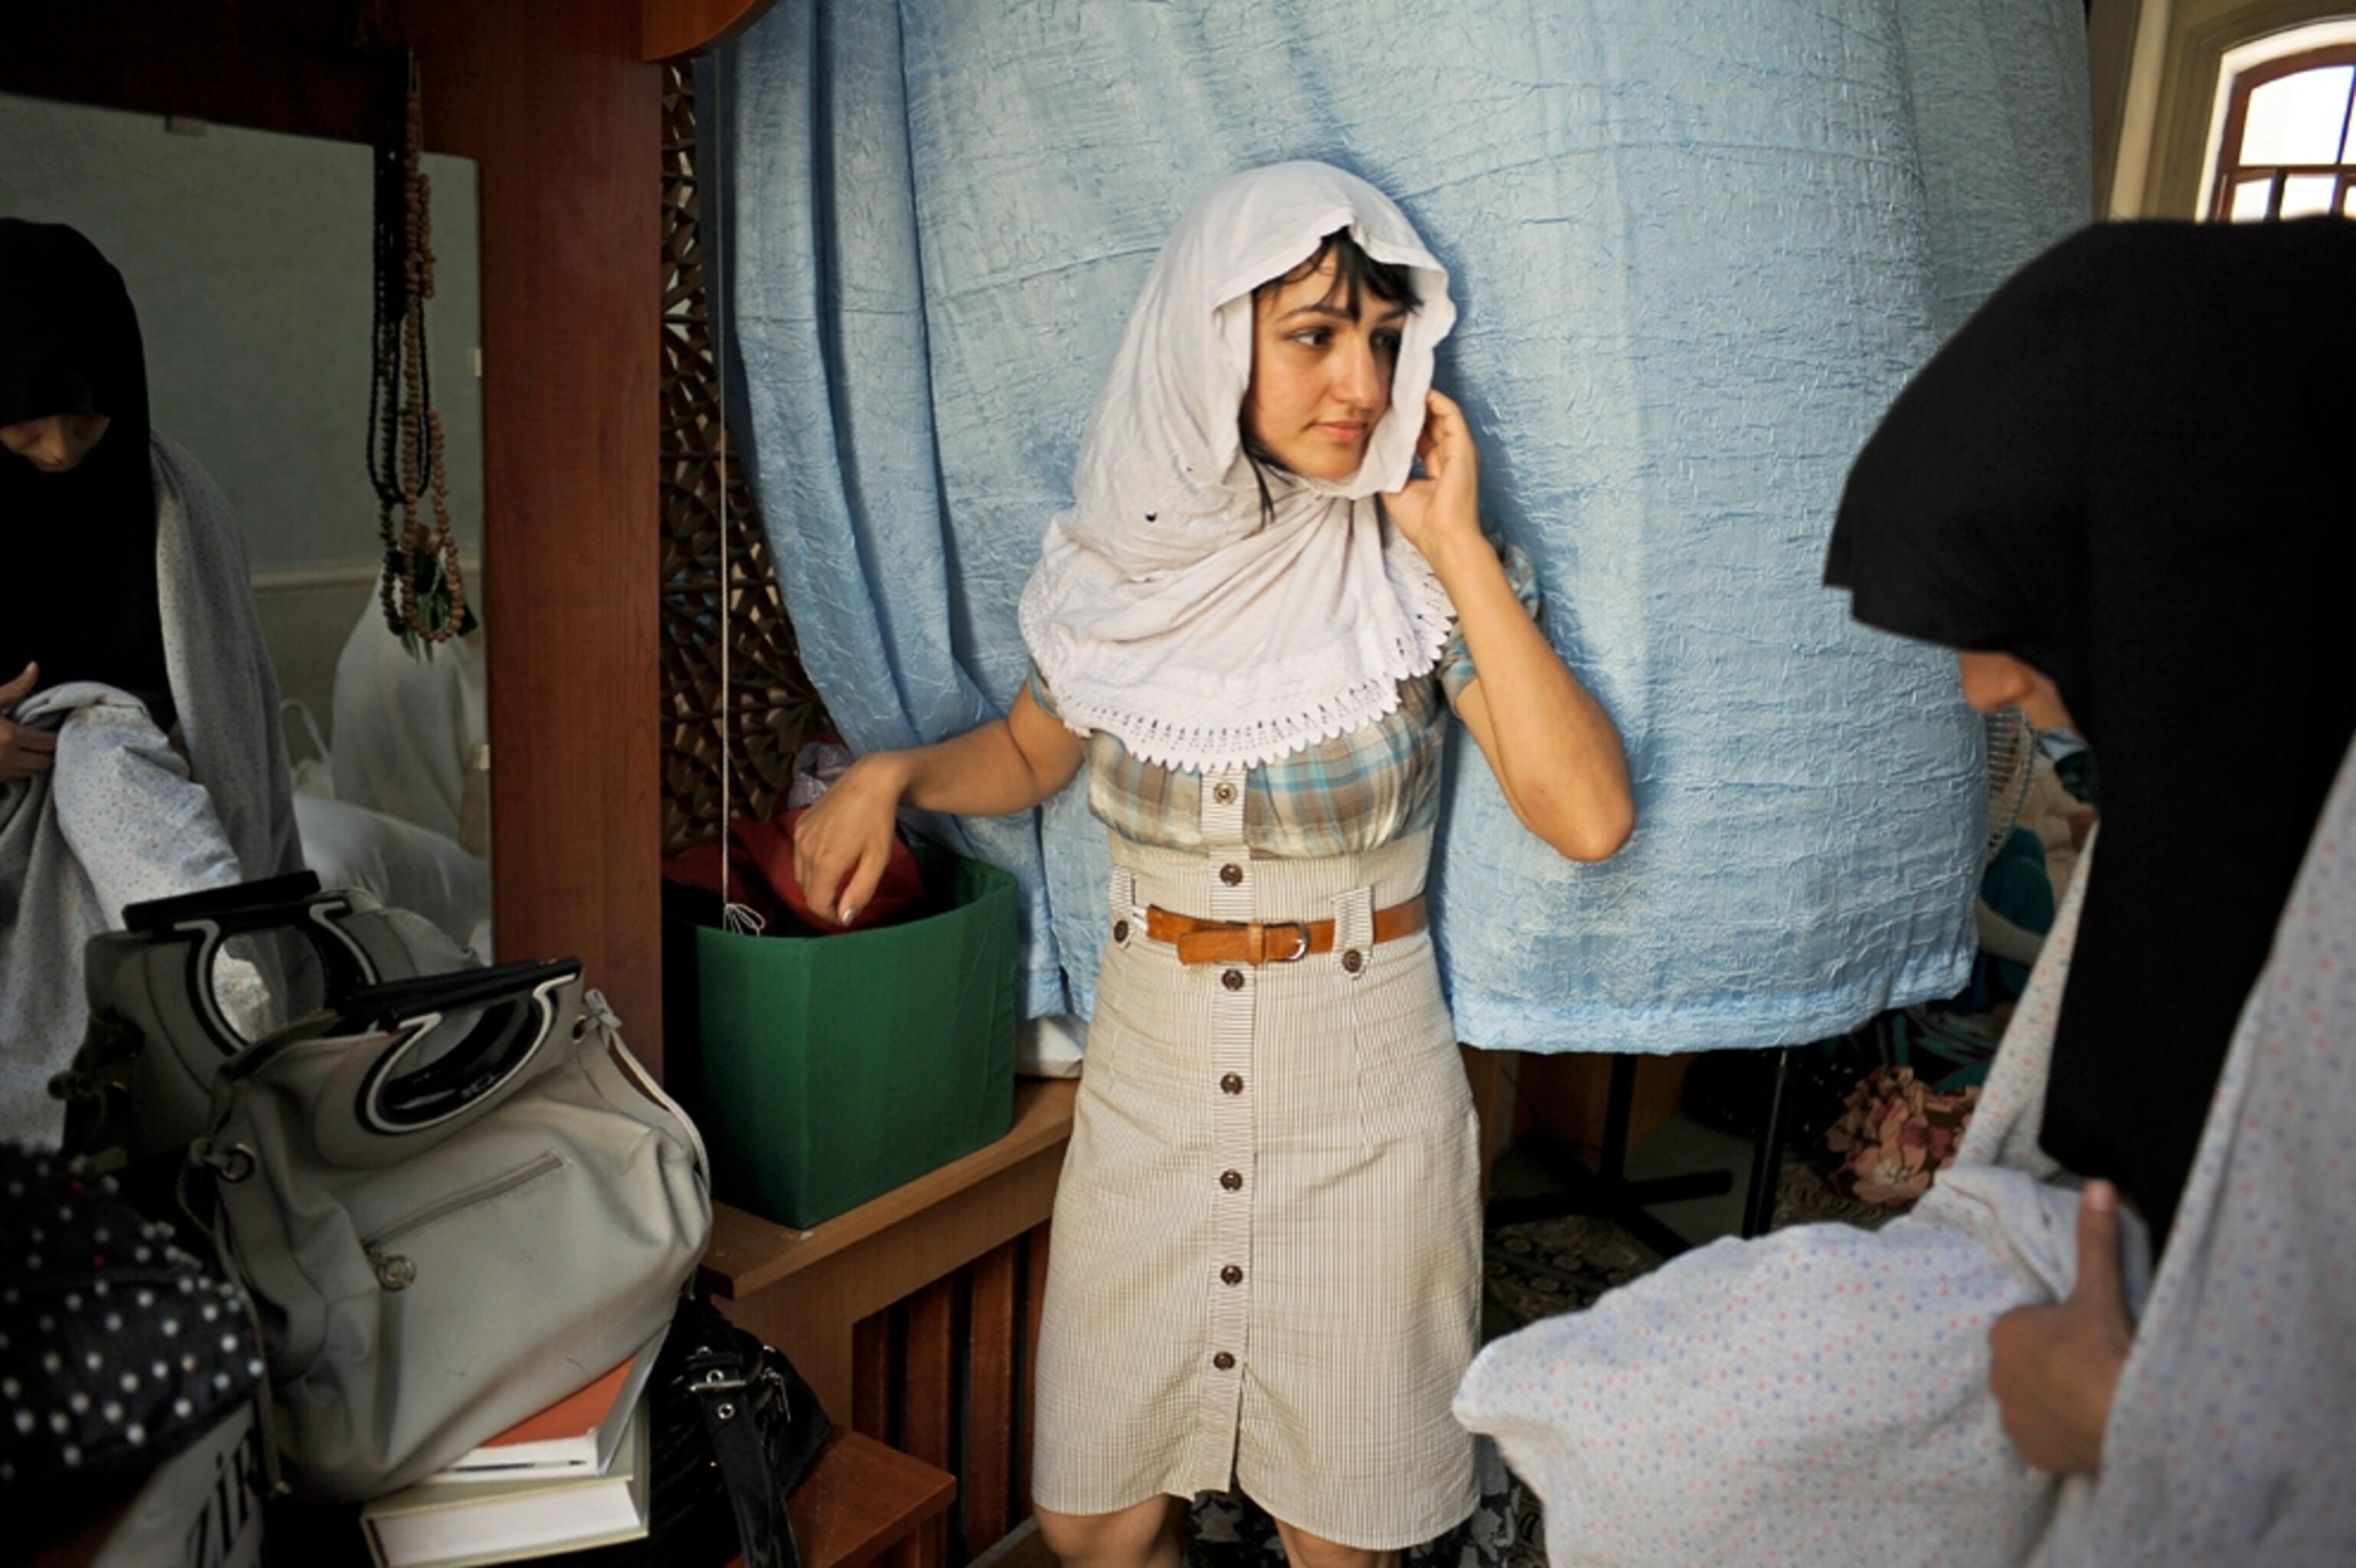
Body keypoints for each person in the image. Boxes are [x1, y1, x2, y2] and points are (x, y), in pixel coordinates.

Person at [1455, 216, 2356, 1564]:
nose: (1979, 685)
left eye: (2020, 614)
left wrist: (2142, 1425)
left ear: (2201, 560)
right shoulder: (2218, 804)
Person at [791, 162, 1633, 1567]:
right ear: (1207, 343)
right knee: (1095, 1520)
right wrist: (899, 773)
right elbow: (1033, 750)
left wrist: (1457, 546)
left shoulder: (1407, 569)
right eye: (1311, 334)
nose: (1357, 379)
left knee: (1341, 1532)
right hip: (1152, 1086)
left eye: (1378, 338)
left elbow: (1589, 816)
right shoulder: (1117, 564)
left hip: (1360, 1090)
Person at [0, 219, 301, 1145]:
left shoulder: (176, 500)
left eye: (86, 426)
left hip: (154, 809)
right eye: (24, 430)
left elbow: (240, 721)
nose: (58, 455)